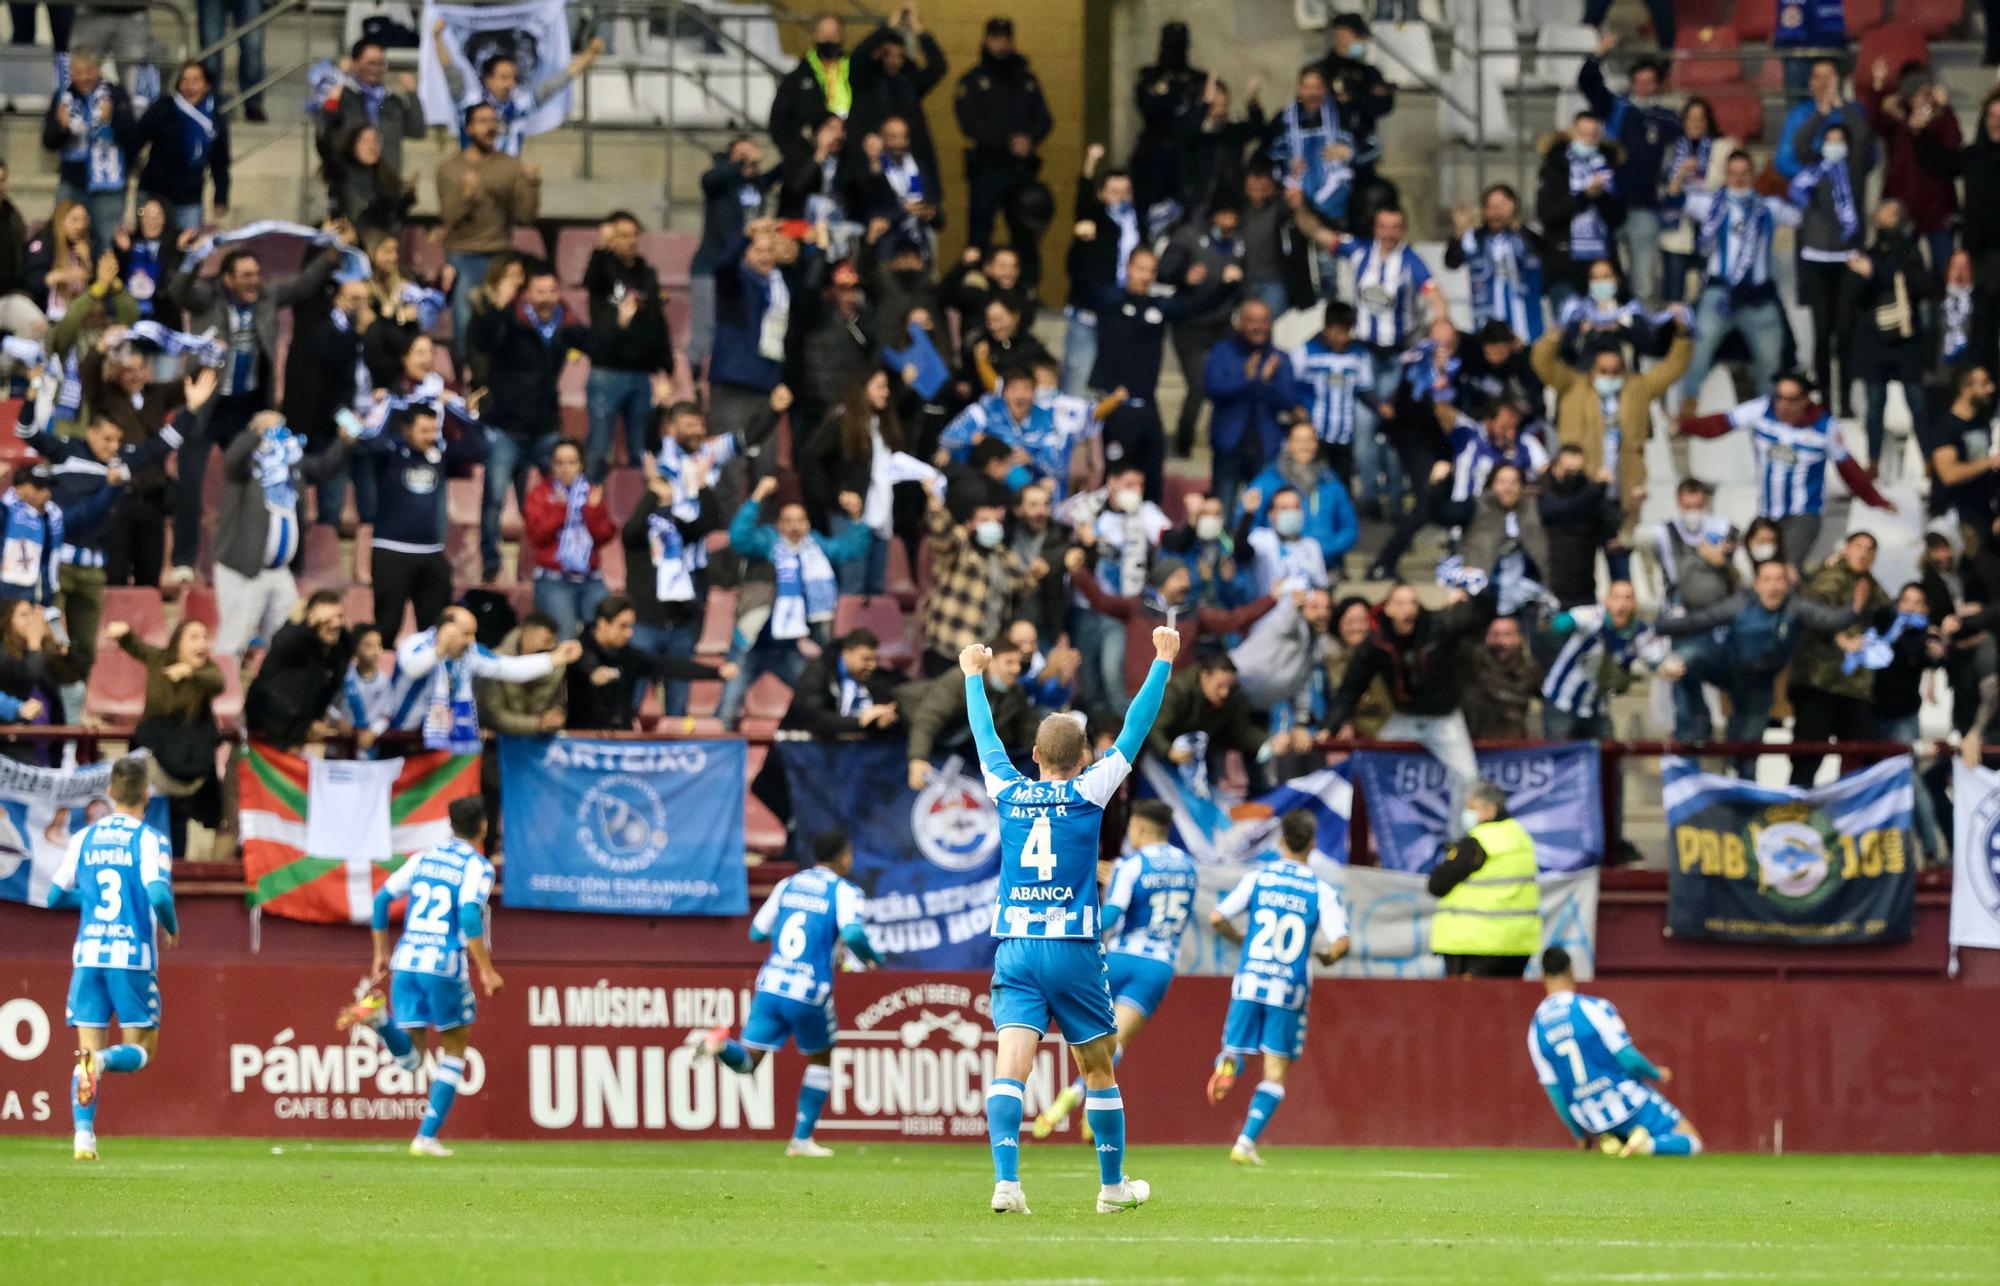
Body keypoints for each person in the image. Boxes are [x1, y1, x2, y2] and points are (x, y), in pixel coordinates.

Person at [965, 623, 1176, 1217]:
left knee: (1011, 1063)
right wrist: (1161, 661)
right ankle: (1111, 1189)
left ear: (1032, 756)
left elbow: (983, 736)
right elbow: (1136, 727)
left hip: (1016, 946)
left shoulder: (1006, 788)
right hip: (1073, 946)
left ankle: (1007, 1183)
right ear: (1084, 758)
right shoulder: (1091, 791)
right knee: (1097, 1065)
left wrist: (973, 677)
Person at [166, 233, 342, 585]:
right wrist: (191, 259)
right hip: (206, 404)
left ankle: (276, 558)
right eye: (245, 275)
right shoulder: (207, 298)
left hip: (249, 408)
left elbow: (304, 285)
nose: (253, 281)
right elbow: (178, 292)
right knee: (190, 485)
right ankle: (183, 560)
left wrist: (332, 254)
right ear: (227, 279)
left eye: (256, 274)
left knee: (272, 478)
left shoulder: (268, 296)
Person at [698, 831, 882, 1158]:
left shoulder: (788, 884)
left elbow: (756, 932)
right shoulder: (844, 891)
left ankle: (720, 1045)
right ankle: (801, 1139)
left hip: (770, 984)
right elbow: (853, 932)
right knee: (822, 1056)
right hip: (808, 989)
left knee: (749, 1062)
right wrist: (873, 957)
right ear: (842, 857)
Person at [337, 796, 501, 1159]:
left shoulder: (424, 857)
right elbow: (470, 918)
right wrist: (486, 971)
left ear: (450, 824)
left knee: (412, 1059)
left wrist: (380, 953)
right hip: (443, 964)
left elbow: (381, 900)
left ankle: (379, 1018)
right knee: (455, 1048)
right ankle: (425, 1137)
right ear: (484, 827)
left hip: (406, 961)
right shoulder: (478, 866)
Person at [1032, 798, 1196, 1143]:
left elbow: (1111, 916)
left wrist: (1077, 925)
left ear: (1137, 827)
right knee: (1116, 1043)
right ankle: (1083, 1098)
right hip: (1157, 966)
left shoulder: (1131, 865)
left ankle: (1085, 1098)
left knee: (1093, 1038)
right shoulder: (1189, 866)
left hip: (1119, 958)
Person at [45, 754, 173, 1163]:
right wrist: (171, 925)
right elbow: (157, 893)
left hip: (88, 955)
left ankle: (84, 1138)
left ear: (111, 793)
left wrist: (90, 899)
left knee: (84, 1050)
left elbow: (53, 896)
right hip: (131, 958)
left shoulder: (85, 837)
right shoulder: (150, 839)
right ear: (146, 794)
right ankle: (101, 1061)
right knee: (141, 1052)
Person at [1204, 807, 1349, 1166]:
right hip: (1288, 988)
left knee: (1236, 1049)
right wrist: (1329, 957)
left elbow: (1217, 917)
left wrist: (1241, 939)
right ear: (1312, 845)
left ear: (1281, 840)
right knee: (1275, 1073)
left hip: (1250, 978)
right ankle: (1245, 1142)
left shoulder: (1260, 877)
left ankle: (1228, 1065)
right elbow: (1342, 941)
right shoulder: (1321, 890)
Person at [1656, 558, 1869, 763]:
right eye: (1767, 579)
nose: (1773, 586)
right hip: (1728, 668)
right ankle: (1695, 729)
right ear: (1757, 584)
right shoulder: (1741, 603)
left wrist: (1854, 610)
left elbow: (1828, 620)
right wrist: (1657, 627)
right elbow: (1702, 620)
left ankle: (1742, 792)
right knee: (1686, 656)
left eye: (1779, 580)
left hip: (1759, 685)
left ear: (1787, 584)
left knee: (1746, 752)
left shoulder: (1796, 608)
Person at [1677, 373, 1897, 570]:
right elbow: (1721, 423)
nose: (1783, 405)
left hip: (1803, 514)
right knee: (1763, 571)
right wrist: (1684, 426)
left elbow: (1848, 468)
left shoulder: (1824, 426)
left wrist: (1875, 499)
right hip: (1767, 513)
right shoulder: (1762, 409)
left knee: (1786, 568)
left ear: (1805, 400)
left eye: (1791, 399)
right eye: (1779, 397)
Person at [1327, 582, 1494, 836]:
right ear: (1389, 608)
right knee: (1372, 766)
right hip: (1404, 717)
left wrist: (1477, 592)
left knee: (1468, 776)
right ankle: (1377, 834)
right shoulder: (1377, 642)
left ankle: (1458, 840)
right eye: (1402, 603)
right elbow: (1350, 688)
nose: (1409, 609)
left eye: (1413, 602)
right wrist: (1331, 725)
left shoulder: (1438, 625)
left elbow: (1482, 615)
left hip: (1443, 718)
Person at [721, 476, 873, 728]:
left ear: (808, 524)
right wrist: (757, 497)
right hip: (751, 646)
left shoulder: (817, 547)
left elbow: (851, 548)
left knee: (815, 699)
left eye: (800, 520)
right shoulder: (768, 544)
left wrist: (856, 517)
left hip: (791, 649)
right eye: (788, 521)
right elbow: (739, 538)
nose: (794, 526)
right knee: (726, 710)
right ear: (779, 524)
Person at [1529, 946, 1702, 1157]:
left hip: (1592, 1118)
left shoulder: (1535, 1029)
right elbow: (1628, 1058)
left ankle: (1616, 1141)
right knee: (1692, 1141)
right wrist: (1656, 1073)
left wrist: (1579, 1134)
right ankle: (1643, 1145)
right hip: (1626, 1100)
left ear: (1542, 976)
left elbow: (1555, 1091)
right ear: (1572, 970)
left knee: (1623, 1138)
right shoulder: (1591, 1008)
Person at [1532, 315, 1691, 545]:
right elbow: (1541, 361)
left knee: (1620, 558)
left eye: (1616, 371)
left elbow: (1673, 368)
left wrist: (1683, 334)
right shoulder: (1573, 385)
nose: (1610, 376)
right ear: (1592, 368)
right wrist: (1560, 330)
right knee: (1577, 556)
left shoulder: (1638, 388)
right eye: (1603, 370)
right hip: (1580, 487)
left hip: (1623, 490)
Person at [214, 405, 358, 657]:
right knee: (233, 641)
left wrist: (343, 442)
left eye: (280, 429)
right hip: (243, 568)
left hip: (280, 573)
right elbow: (231, 460)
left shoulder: (292, 466)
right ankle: (226, 694)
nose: (277, 435)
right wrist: (256, 434)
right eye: (270, 430)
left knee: (286, 642)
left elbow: (324, 468)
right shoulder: (246, 468)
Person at [1673, 151, 1797, 411]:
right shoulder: (1712, 204)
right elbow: (1675, 198)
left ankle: (1770, 415)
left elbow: (1800, 214)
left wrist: (1788, 180)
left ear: (1753, 175)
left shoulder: (1768, 207)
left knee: (1771, 362)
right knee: (1698, 351)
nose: (1739, 179)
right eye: (1733, 173)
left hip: (1758, 297)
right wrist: (1682, 173)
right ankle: (1687, 408)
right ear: (1726, 175)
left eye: (1744, 173)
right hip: (1720, 294)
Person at [356, 405, 487, 635]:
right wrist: (390, 405)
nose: (430, 437)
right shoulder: (390, 453)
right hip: (391, 551)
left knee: (437, 630)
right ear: (406, 430)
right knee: (386, 627)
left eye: (433, 430)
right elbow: (370, 443)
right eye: (423, 430)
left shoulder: (438, 455)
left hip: (431, 553)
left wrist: (458, 410)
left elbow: (478, 449)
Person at [388, 605, 582, 751]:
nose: (472, 640)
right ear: (447, 630)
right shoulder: (415, 643)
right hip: (399, 736)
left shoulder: (471, 653)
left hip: (441, 740)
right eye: (466, 634)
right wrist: (439, 650)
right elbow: (412, 669)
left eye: (473, 634)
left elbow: (510, 667)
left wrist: (555, 658)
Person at [107, 617, 222, 856]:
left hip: (183, 764)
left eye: (204, 637)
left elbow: (218, 682)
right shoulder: (158, 659)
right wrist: (125, 632)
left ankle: (176, 873)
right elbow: (136, 646)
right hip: (154, 756)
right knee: (146, 815)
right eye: (194, 637)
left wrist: (191, 673)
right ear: (177, 642)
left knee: (178, 822)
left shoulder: (206, 671)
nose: (201, 643)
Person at [954, 17, 1054, 289]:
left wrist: (1029, 140)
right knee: (980, 233)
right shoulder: (974, 80)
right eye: (995, 38)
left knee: (1026, 233)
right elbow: (969, 123)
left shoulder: (1026, 80)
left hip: (1020, 171)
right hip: (988, 167)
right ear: (986, 40)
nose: (1000, 44)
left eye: (1005, 39)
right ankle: (976, 288)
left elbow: (1044, 119)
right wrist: (1006, 142)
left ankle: (1027, 290)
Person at [436, 102, 542, 352]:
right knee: (465, 321)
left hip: (500, 255)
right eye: (483, 121)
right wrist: (467, 196)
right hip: (463, 255)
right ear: (469, 128)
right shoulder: (450, 169)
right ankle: (467, 380)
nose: (491, 127)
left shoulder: (510, 165)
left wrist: (533, 184)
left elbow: (526, 217)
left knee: (504, 321)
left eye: (494, 121)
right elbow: (449, 219)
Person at [1789, 532, 1890, 787]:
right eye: (1859, 547)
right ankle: (1794, 816)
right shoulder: (1830, 576)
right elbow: (1810, 614)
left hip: (1854, 688)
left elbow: (1889, 615)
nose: (1863, 554)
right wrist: (1840, 636)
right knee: (1807, 758)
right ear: (1846, 548)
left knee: (1863, 754)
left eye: (1870, 549)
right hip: (1818, 682)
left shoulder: (1872, 586)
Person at [1579, 37, 1674, 304]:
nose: (1643, 88)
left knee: (1643, 282)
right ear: (1632, 82)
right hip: (1609, 207)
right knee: (1603, 277)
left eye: (1649, 82)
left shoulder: (1666, 119)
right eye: (1639, 81)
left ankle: (1640, 337)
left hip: (1644, 209)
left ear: (1657, 85)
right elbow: (1586, 82)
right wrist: (1598, 54)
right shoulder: (1615, 107)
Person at [1845, 201, 1936, 477]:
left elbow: (1923, 285)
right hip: (1876, 342)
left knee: (1917, 403)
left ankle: (1929, 459)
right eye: (1883, 215)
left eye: (1893, 214)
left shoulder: (1910, 250)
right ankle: (1872, 461)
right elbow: (1856, 298)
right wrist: (1867, 277)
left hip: (1906, 340)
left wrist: (1878, 273)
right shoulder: (1868, 253)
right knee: (1875, 407)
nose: (1887, 220)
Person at [431, 17, 602, 157]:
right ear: (487, 79)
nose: (510, 83)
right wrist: (437, 37)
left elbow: (554, 84)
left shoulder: (519, 104)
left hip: (509, 177)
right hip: (475, 175)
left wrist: (587, 57)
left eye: (513, 78)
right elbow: (450, 72)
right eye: (504, 78)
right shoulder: (471, 102)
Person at [582, 212, 671, 481]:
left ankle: (638, 515)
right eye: (622, 235)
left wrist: (666, 366)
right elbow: (593, 278)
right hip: (608, 370)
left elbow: (658, 321)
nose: (629, 241)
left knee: (642, 450)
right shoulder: (601, 269)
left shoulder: (647, 274)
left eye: (633, 234)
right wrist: (602, 249)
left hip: (642, 373)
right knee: (598, 448)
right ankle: (587, 513)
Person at [1424, 780, 1540, 977]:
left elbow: (1437, 884)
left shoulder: (1480, 842)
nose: (1466, 814)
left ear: (1489, 810)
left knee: (1467, 1006)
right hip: (1517, 944)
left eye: (1471, 808)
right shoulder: (1521, 837)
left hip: (1476, 945)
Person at [565, 596, 727, 732]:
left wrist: (715, 672)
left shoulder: (629, 656)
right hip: (581, 742)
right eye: (623, 626)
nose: (629, 633)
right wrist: (593, 670)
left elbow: (669, 666)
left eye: (631, 626)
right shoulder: (574, 651)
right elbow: (583, 660)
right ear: (602, 623)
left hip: (621, 738)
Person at [690, 138, 777, 379]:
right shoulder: (721, 184)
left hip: (743, 272)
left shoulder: (758, 185)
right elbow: (708, 179)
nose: (748, 162)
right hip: (710, 267)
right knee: (704, 333)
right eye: (741, 156)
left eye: (752, 156)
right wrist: (740, 163)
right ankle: (689, 383)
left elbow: (782, 171)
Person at [1205, 297, 1299, 513]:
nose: (1258, 327)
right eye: (1252, 321)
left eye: (1264, 321)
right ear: (1240, 323)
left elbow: (1287, 400)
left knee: (1262, 514)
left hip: (1265, 448)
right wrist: (1247, 379)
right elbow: (1213, 390)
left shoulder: (1280, 358)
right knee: (1223, 511)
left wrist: (1265, 382)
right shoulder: (1222, 352)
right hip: (1229, 446)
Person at [40, 50, 137, 253]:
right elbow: (48, 142)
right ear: (70, 73)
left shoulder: (116, 94)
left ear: (99, 70)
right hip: (72, 182)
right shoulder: (61, 97)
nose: (83, 77)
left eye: (89, 71)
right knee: (63, 238)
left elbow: (133, 138)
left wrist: (112, 119)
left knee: (108, 242)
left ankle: (106, 283)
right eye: (78, 72)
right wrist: (62, 128)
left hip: (109, 186)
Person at [521, 440, 614, 640]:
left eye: (571, 462)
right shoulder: (540, 494)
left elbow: (604, 536)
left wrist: (592, 510)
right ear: (552, 465)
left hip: (591, 579)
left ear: (580, 465)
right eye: (560, 463)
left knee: (604, 635)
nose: (565, 469)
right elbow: (537, 536)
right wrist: (561, 510)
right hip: (554, 579)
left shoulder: (591, 495)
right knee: (565, 638)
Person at [1541, 581, 1656, 741]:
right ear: (1607, 600)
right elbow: (1568, 621)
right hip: (1562, 703)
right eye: (1616, 598)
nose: (1622, 605)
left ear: (1635, 603)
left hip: (1597, 709)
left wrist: (1670, 667)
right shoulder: (1594, 616)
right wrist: (1559, 622)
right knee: (1561, 757)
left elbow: (1657, 660)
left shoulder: (1640, 632)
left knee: (1609, 757)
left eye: (1628, 598)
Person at [244, 590, 355, 753]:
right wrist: (305, 725)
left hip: (303, 732)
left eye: (339, 617)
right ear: (311, 620)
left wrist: (315, 720)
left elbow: (328, 689)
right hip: (269, 726)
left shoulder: (340, 651)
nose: (335, 624)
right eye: (327, 620)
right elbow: (282, 642)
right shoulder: (294, 644)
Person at [1536, 112, 1625, 309]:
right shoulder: (1554, 167)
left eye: (1593, 135)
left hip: (1601, 264)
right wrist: (1584, 196)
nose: (1588, 139)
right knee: (1571, 322)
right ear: (1573, 133)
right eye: (1583, 134)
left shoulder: (1609, 167)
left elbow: (1618, 217)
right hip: (1563, 264)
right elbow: (1547, 214)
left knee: (1604, 323)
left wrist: (1601, 196)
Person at [1658, 98, 1736, 305]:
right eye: (1690, 118)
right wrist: (1682, 173)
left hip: (1711, 227)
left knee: (1709, 290)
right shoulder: (1672, 148)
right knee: (1674, 291)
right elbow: (1667, 192)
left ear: (1708, 121)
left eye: (1700, 119)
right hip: (1677, 229)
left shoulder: (1723, 148)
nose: (1695, 123)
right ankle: (1677, 332)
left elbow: (1732, 182)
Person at [133, 62, 228, 232]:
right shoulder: (163, 107)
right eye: (185, 80)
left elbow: (220, 160)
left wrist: (221, 196)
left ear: (206, 85)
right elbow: (136, 139)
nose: (189, 86)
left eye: (195, 80)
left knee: (188, 248)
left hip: (188, 198)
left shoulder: (215, 117)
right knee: (145, 242)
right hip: (152, 192)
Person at [1446, 184, 1547, 342]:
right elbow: (1451, 262)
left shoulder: (1527, 233)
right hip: (1487, 314)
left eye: (1501, 206)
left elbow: (1545, 253)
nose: (1496, 213)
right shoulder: (1475, 237)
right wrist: (1459, 230)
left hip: (1524, 315)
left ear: (1514, 206)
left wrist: (1516, 226)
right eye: (1491, 207)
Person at [316, 39, 423, 170]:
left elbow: (417, 131)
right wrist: (336, 89)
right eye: (370, 63)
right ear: (355, 64)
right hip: (351, 182)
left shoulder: (392, 100)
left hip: (388, 180)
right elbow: (322, 132)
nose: (376, 69)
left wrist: (412, 95)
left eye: (380, 64)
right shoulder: (344, 97)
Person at [780, 628, 900, 738]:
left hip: (853, 750)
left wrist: (880, 721)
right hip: (804, 748)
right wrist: (859, 722)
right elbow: (813, 718)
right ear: (847, 653)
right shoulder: (819, 672)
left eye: (875, 659)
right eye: (866, 659)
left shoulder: (875, 676)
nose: (872, 665)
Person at [319, 123, 414, 244]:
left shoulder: (385, 179)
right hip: (352, 242)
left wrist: (405, 201)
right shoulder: (343, 173)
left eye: (375, 140)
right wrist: (329, 117)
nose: (372, 146)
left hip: (381, 245)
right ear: (352, 145)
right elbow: (324, 145)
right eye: (364, 141)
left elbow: (392, 222)